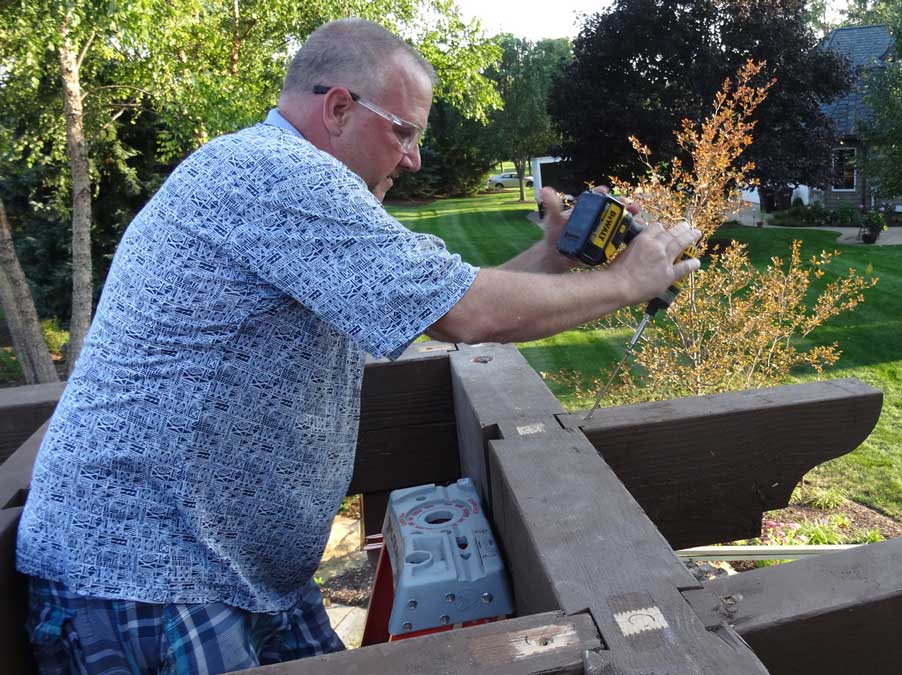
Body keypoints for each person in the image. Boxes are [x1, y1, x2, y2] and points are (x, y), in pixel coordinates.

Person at [15, 18, 700, 674]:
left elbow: (443, 296)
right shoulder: (278, 175)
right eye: (403, 131)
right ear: (339, 108)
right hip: (150, 578)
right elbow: (465, 315)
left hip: (230, 573)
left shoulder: (273, 172)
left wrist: (555, 257)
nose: (414, 156)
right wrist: (625, 282)